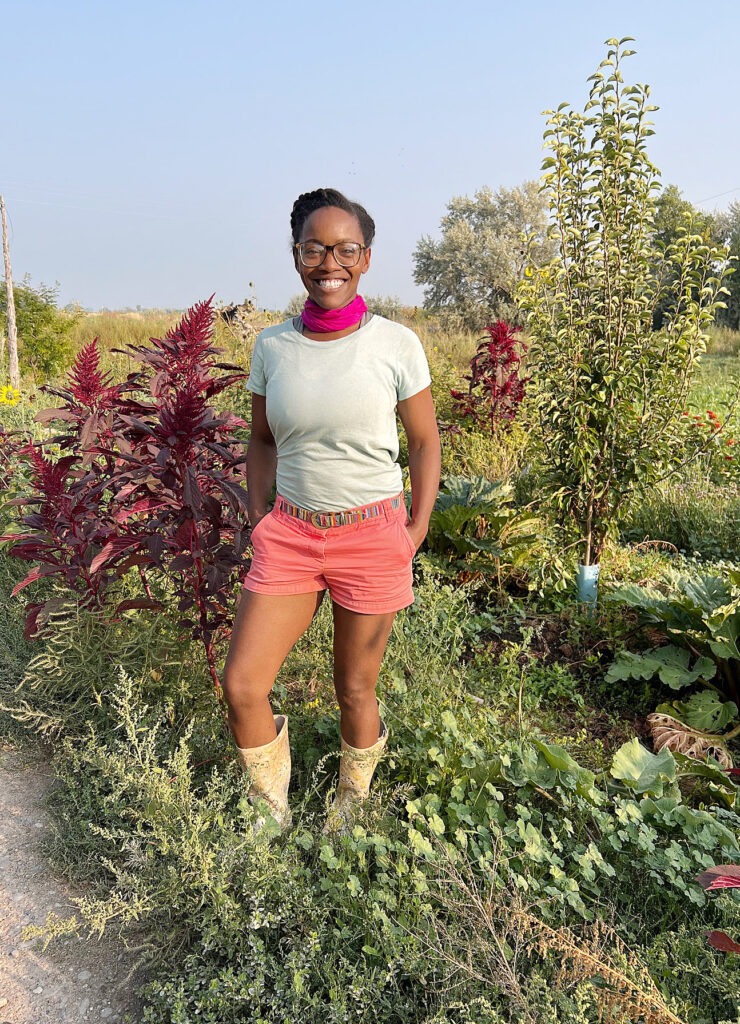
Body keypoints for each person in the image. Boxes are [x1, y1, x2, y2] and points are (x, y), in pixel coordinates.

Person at [222, 187, 441, 832]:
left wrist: (417, 526)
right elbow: (261, 440)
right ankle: (272, 818)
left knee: (355, 689)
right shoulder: (272, 348)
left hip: (372, 534)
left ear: (367, 259)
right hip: (289, 533)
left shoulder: (396, 344)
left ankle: (351, 809)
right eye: (315, 248)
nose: (330, 262)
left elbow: (425, 442)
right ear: (296, 256)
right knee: (243, 686)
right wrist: (259, 517)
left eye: (346, 249)